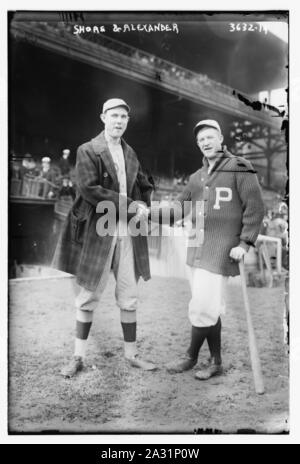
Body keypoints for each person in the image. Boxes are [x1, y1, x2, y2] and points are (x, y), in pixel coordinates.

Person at [145, 119, 265, 380]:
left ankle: (190, 356)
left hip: (221, 250)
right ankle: (216, 362)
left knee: (202, 306)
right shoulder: (195, 178)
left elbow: (255, 209)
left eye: (210, 137)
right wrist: (149, 213)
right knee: (209, 306)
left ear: (221, 138)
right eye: (201, 140)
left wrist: (244, 243)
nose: (206, 142)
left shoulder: (240, 168)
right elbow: (179, 209)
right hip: (196, 248)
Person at [53, 98, 157, 377]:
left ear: (127, 121)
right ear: (103, 117)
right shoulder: (88, 149)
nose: (119, 121)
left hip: (128, 232)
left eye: (124, 116)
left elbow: (143, 185)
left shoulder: (131, 153)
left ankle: (132, 354)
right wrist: (129, 203)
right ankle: (78, 357)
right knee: (87, 296)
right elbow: (89, 189)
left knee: (129, 295)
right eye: (114, 115)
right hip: (100, 231)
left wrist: (145, 201)